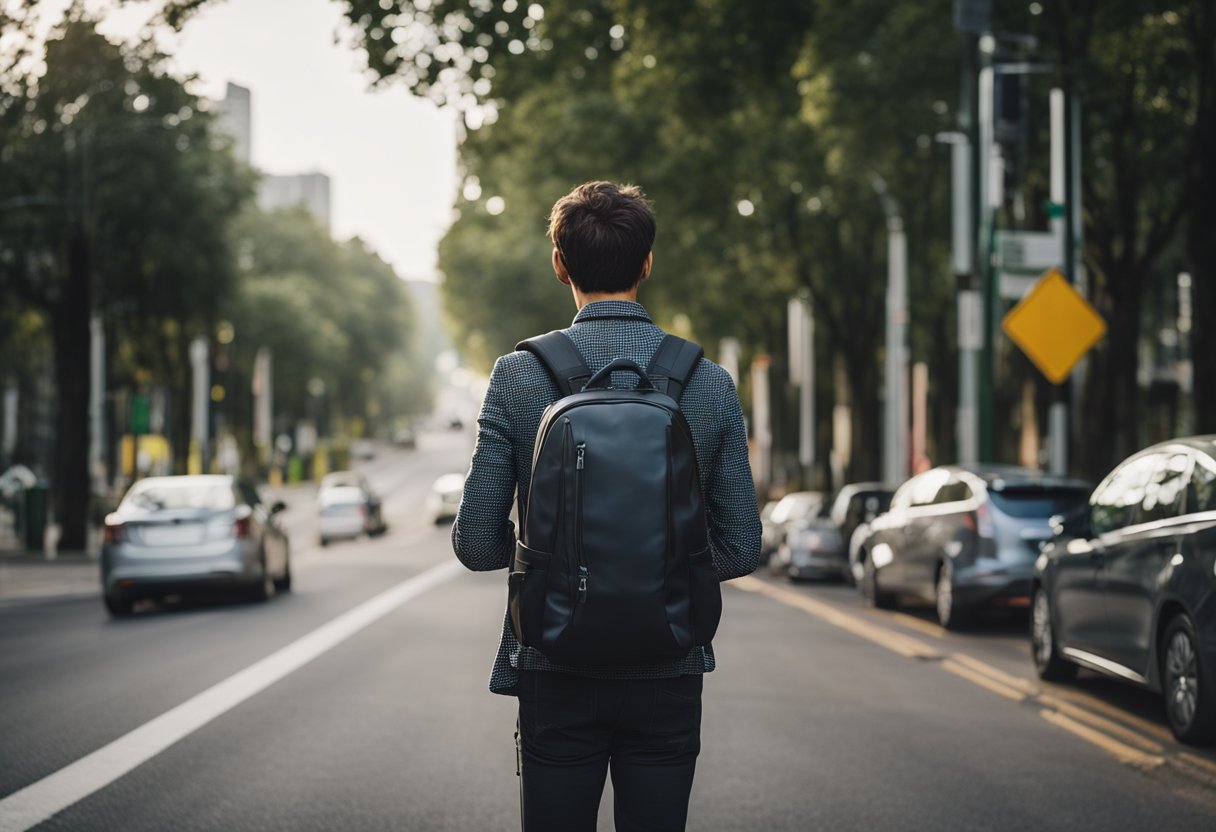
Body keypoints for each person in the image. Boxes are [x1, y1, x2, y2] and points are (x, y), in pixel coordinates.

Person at [453, 180, 761, 832]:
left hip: (554, 663)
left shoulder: (518, 376)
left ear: (559, 264)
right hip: (669, 662)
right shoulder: (706, 383)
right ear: (647, 263)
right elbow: (740, 547)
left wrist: (552, 562)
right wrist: (661, 566)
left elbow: (476, 544)